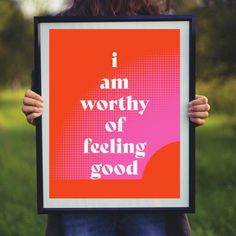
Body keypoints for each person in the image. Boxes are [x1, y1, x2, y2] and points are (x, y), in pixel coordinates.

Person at [22, 0, 210, 235]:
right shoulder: (62, 29)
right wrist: (34, 108)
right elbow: (45, 101)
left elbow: (170, 100)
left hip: (148, 193)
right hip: (81, 193)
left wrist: (192, 110)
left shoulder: (161, 27)